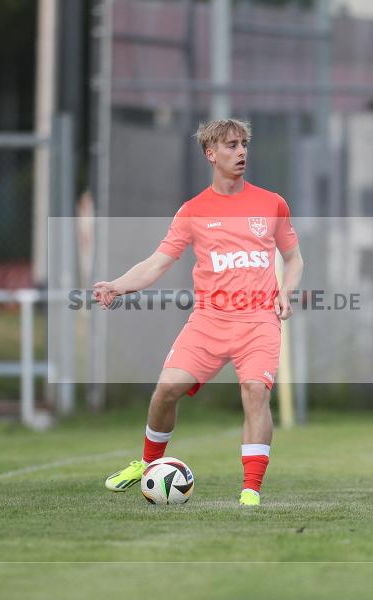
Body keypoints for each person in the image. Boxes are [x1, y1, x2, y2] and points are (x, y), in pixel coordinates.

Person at [95, 118, 303, 506]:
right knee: (164, 392)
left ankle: (250, 492)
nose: (241, 152)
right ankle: (148, 465)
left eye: (244, 145)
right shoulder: (193, 211)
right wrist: (117, 285)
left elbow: (293, 259)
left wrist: (285, 292)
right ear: (211, 154)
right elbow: (158, 262)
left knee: (255, 391)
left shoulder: (271, 203)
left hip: (258, 320)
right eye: (230, 146)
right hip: (208, 322)